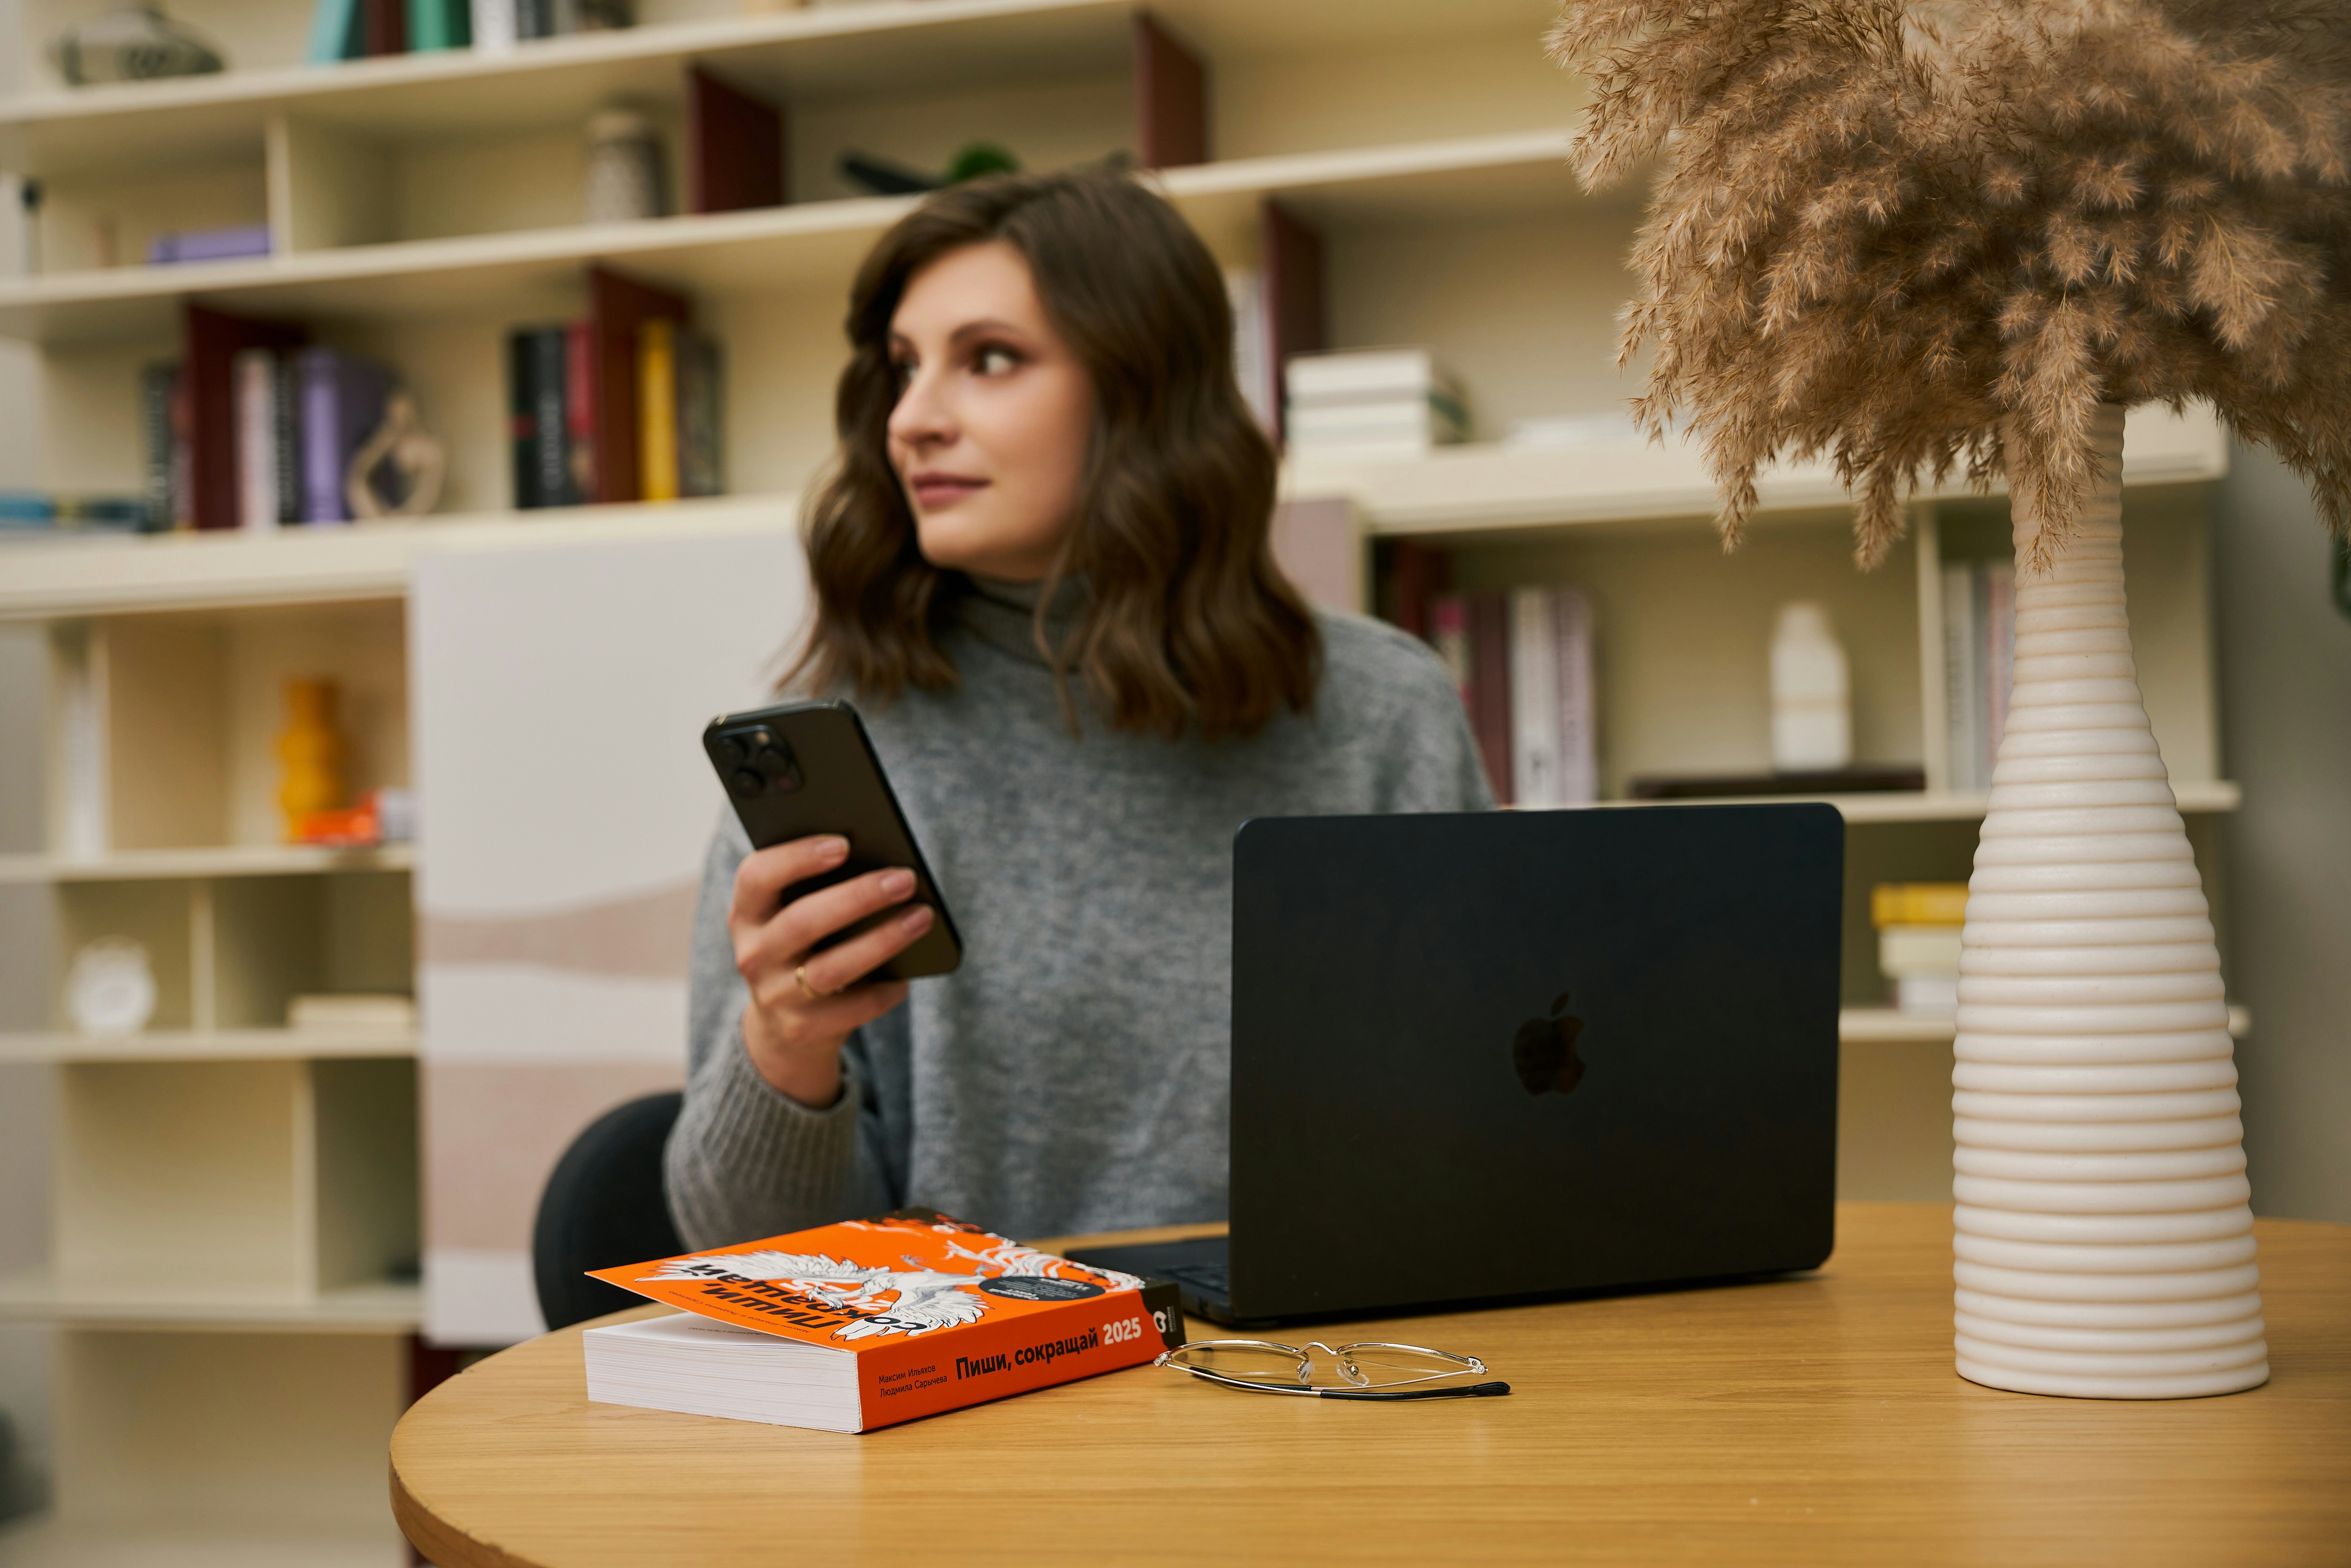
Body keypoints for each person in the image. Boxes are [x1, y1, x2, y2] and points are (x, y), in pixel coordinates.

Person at [664, 170, 1490, 1250]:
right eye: (905, 369)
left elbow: (1487, 1139)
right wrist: (783, 1046)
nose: (911, 420)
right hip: (968, 1394)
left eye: (989, 359)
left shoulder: (1383, 715)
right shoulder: (833, 758)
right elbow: (743, 1255)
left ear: (1143, 389)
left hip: (1322, 1382)